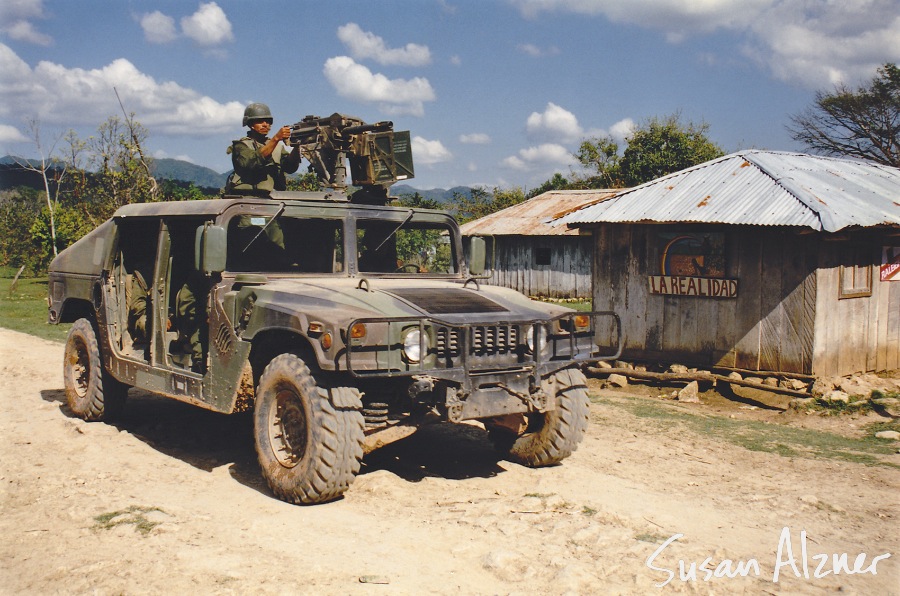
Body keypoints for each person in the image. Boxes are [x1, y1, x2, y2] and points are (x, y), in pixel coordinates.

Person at [224, 103, 302, 197]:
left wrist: (297, 146)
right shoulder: (241, 146)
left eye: (268, 121)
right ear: (250, 124)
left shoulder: (276, 147)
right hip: (245, 198)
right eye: (260, 121)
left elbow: (289, 167)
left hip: (272, 198)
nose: (265, 124)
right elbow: (253, 161)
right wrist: (276, 138)